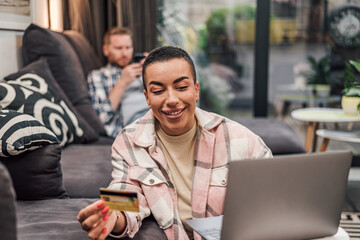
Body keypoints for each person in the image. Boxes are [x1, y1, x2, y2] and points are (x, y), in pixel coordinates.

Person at [78, 46, 272, 240]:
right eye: (158, 90)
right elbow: (125, 192)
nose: (171, 100)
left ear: (196, 90)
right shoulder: (128, 142)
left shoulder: (242, 139)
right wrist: (112, 214)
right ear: (147, 97)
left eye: (181, 88)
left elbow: (273, 200)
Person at [87, 27, 149, 138]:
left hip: (156, 112)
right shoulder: (98, 76)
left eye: (128, 47)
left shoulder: (143, 68)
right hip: (136, 122)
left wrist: (153, 69)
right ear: (106, 50)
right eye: (118, 48)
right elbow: (102, 117)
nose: (124, 53)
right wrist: (122, 82)